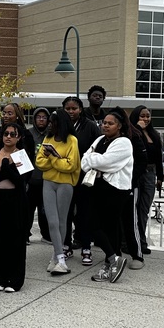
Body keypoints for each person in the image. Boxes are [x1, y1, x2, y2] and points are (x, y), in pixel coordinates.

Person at [81, 109, 134, 283]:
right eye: (104, 122)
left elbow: (107, 163)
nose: (105, 125)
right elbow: (83, 161)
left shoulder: (124, 142)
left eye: (110, 123)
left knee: (106, 226)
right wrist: (94, 158)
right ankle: (113, 260)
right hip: (97, 187)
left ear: (119, 126)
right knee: (94, 225)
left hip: (115, 190)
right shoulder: (99, 140)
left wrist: (93, 158)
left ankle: (111, 262)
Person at [0, 121, 30, 292]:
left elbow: (21, 181)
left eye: (13, 134)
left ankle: (15, 280)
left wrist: (4, 167)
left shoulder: (22, 155)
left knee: (16, 241)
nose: (9, 137)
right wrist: (6, 169)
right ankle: (0, 278)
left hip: (16, 201)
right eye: (6, 134)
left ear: (19, 137)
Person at [36, 109, 80, 275]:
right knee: (52, 222)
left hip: (65, 184)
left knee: (62, 221)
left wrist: (53, 158)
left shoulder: (72, 140)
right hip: (48, 183)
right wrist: (58, 161)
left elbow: (71, 165)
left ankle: (58, 257)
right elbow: (40, 163)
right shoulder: (47, 139)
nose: (49, 125)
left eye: (53, 122)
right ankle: (59, 256)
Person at [62, 95, 101, 266]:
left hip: (85, 177)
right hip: (65, 176)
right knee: (66, 213)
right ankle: (66, 245)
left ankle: (86, 247)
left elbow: (99, 147)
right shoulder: (60, 126)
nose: (71, 112)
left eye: (74, 108)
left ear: (80, 109)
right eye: (68, 109)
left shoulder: (90, 126)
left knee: (85, 214)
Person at [130, 105, 164, 256]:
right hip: (136, 174)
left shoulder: (155, 134)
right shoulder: (131, 133)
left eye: (148, 116)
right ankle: (131, 241)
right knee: (133, 210)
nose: (145, 119)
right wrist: (137, 128)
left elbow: (158, 157)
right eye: (142, 116)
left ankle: (142, 241)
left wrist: (160, 177)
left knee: (144, 210)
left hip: (150, 174)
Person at [122, 109, 149, 269]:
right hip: (111, 186)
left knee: (131, 221)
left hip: (130, 185)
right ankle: (113, 254)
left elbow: (142, 161)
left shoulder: (134, 137)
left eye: (111, 123)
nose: (107, 125)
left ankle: (137, 254)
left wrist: (130, 178)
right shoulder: (104, 140)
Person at [25, 107, 51, 242]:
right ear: (34, 119)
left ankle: (46, 235)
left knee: (44, 210)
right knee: (28, 210)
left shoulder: (51, 135)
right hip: (31, 179)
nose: (41, 120)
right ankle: (26, 235)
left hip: (46, 179)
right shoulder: (28, 134)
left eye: (44, 117)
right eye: (38, 117)